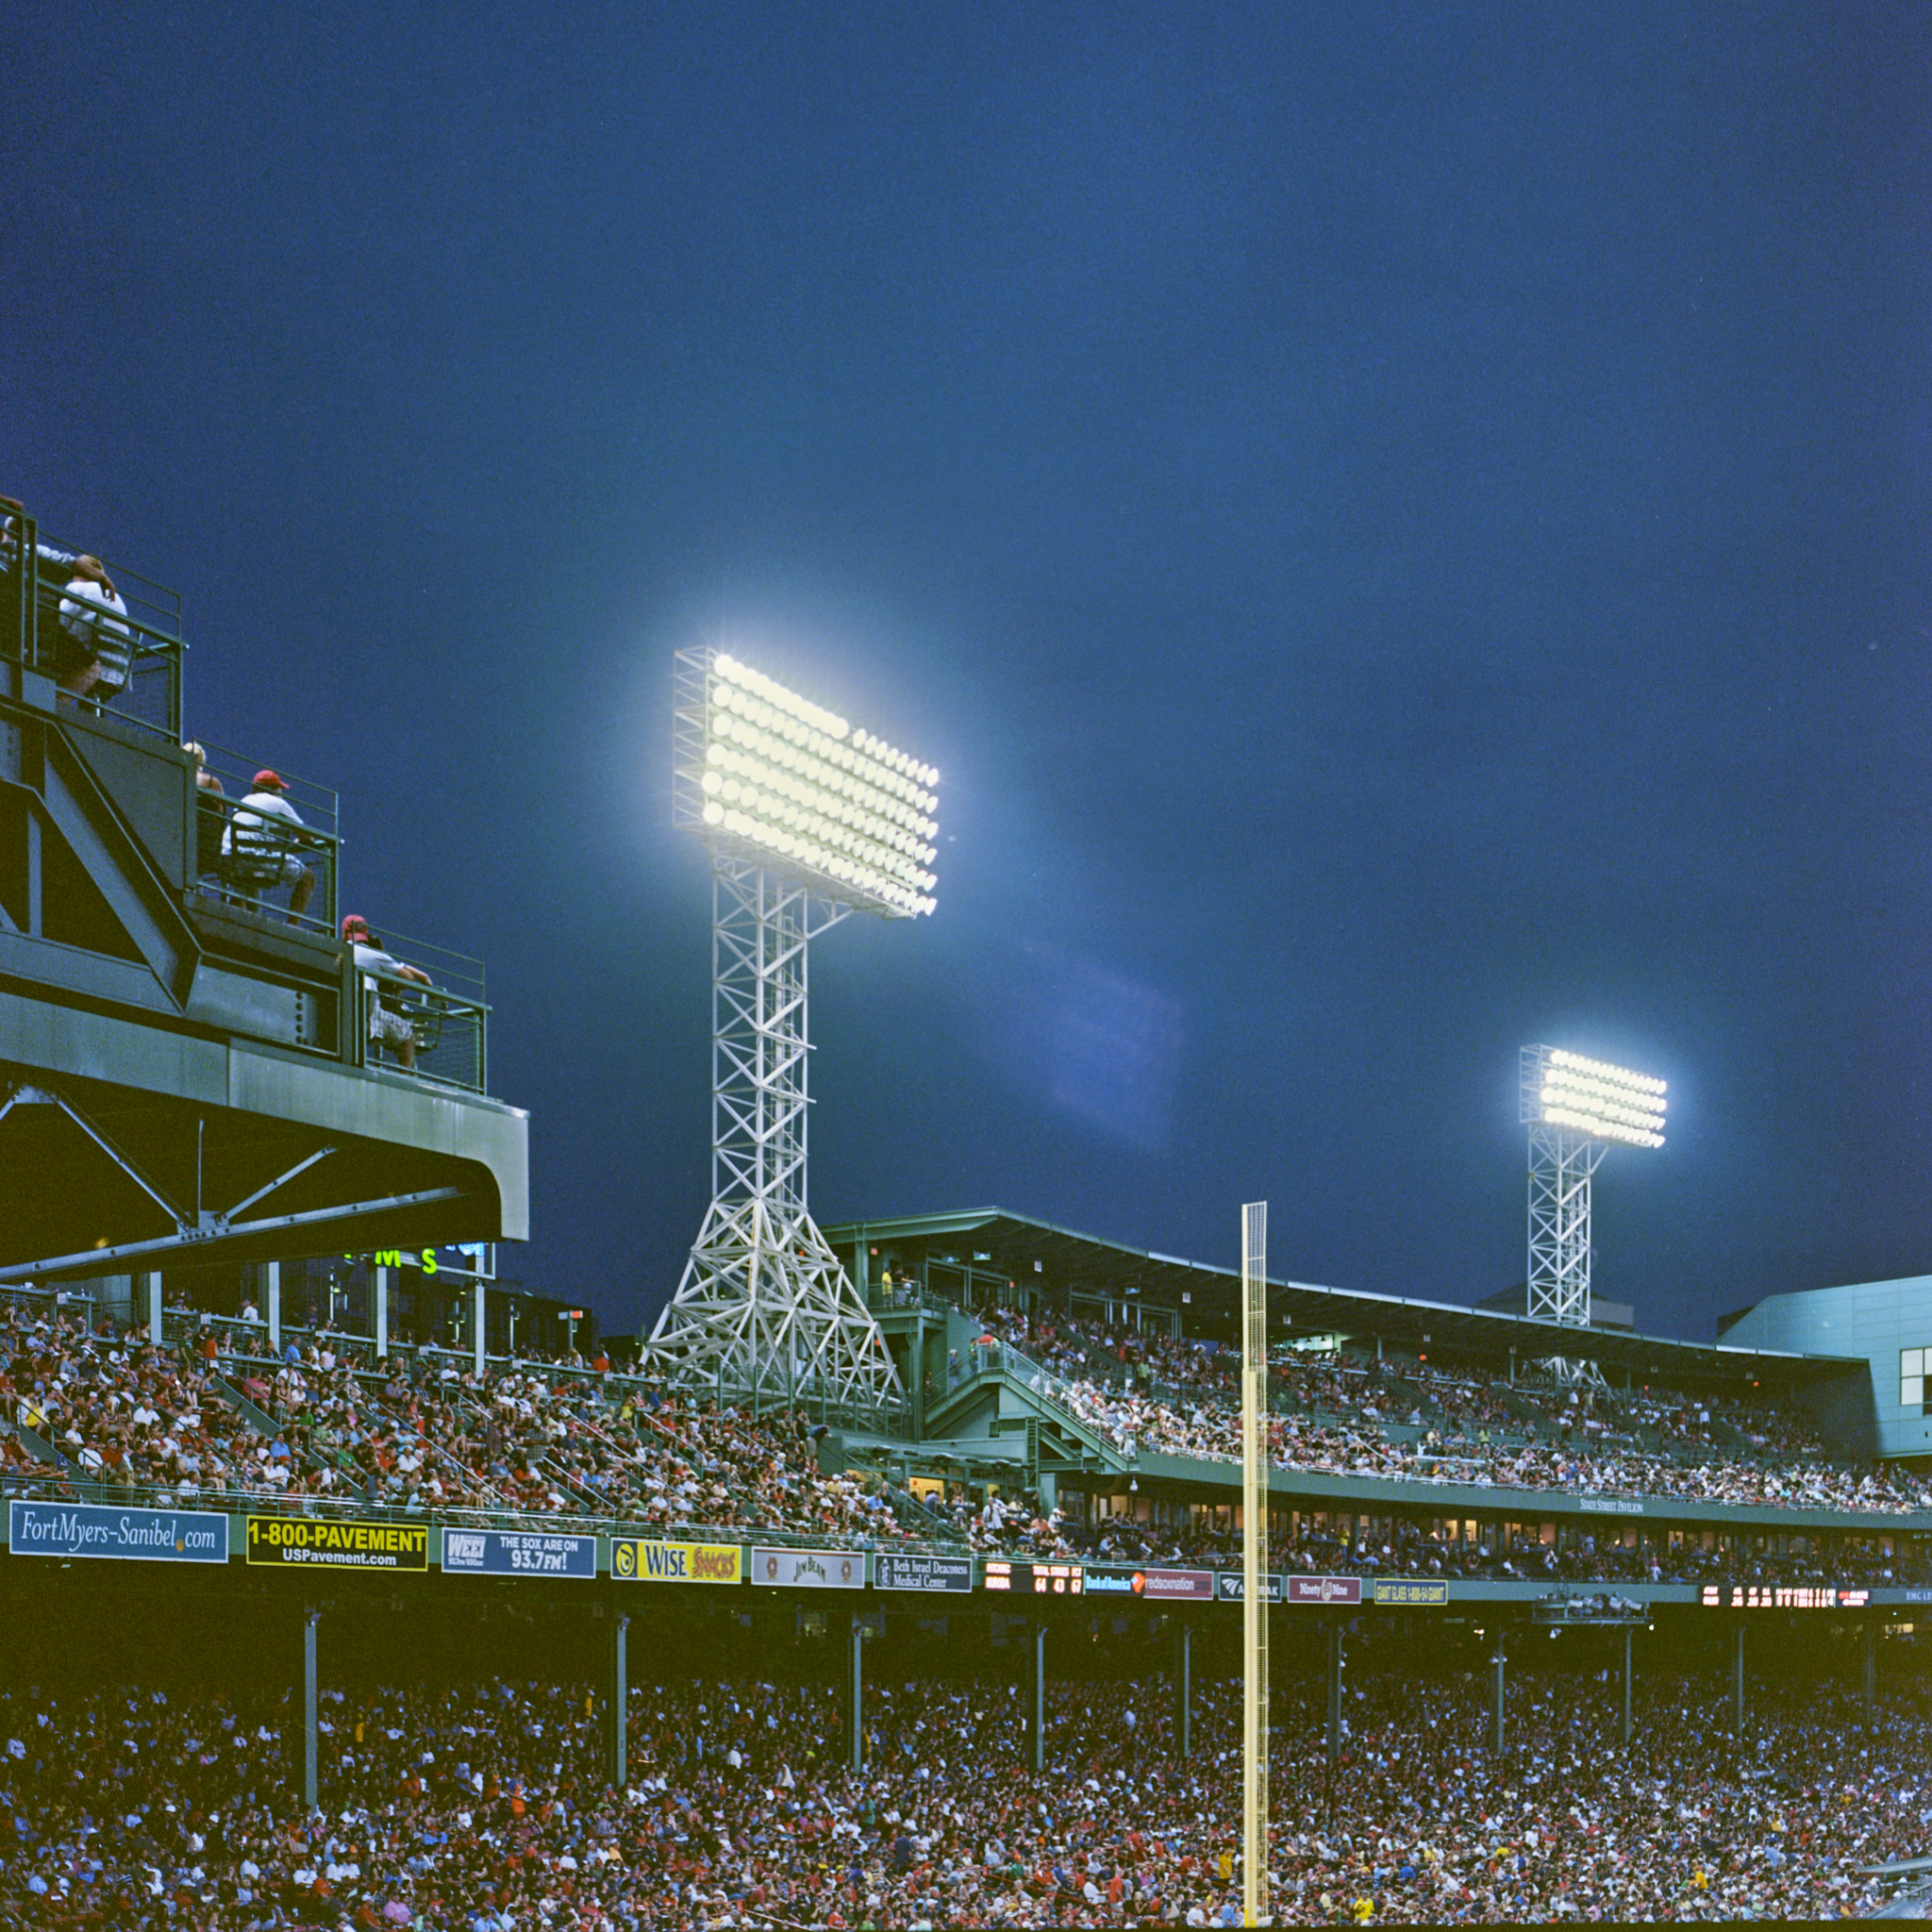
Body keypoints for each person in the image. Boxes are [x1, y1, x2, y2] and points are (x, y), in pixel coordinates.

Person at [341, 914, 432, 1071]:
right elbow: (408, 978)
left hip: (339, 1008)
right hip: (367, 1014)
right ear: (366, 936)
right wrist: (395, 982)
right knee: (406, 1033)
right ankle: (404, 1079)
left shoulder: (336, 951)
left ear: (344, 933)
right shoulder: (375, 955)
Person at [222, 769, 316, 918]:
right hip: (257, 860)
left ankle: (239, 920)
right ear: (273, 788)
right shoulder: (279, 803)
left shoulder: (243, 801)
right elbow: (307, 837)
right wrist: (296, 842)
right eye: (280, 788)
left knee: (242, 879)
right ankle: (293, 927)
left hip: (230, 858)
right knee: (307, 877)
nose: (281, 792)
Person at [55, 554, 132, 702]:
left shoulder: (76, 587)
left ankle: (53, 702)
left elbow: (60, 620)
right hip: (117, 671)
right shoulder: (116, 597)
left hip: (89, 662)